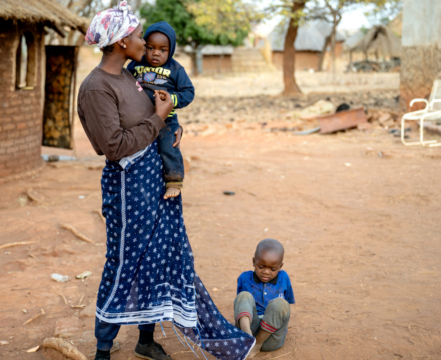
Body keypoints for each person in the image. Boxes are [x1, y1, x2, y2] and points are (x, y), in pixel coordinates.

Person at [78, 3, 254, 360]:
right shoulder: (97, 88)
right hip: (130, 189)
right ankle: (102, 350)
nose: (143, 41)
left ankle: (145, 339)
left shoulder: (130, 76)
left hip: (155, 180)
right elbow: (114, 147)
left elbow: (152, 114)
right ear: (120, 42)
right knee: (125, 260)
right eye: (138, 35)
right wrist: (158, 120)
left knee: (158, 257)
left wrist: (169, 122)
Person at [126, 21, 195, 200]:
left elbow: (188, 92)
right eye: (151, 47)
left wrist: (172, 100)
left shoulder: (176, 69)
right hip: (140, 118)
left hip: (166, 118)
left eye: (163, 50)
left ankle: (174, 180)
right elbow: (125, 83)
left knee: (168, 146)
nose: (156, 52)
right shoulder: (135, 65)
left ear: (170, 51)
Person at [234, 239, 295, 358]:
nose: (266, 272)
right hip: (251, 327)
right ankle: (248, 337)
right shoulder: (244, 278)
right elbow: (241, 304)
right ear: (253, 261)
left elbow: (286, 305)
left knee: (281, 304)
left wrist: (275, 316)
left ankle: (257, 345)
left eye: (273, 269)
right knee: (243, 296)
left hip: (271, 339)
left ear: (280, 267)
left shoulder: (284, 278)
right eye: (261, 267)